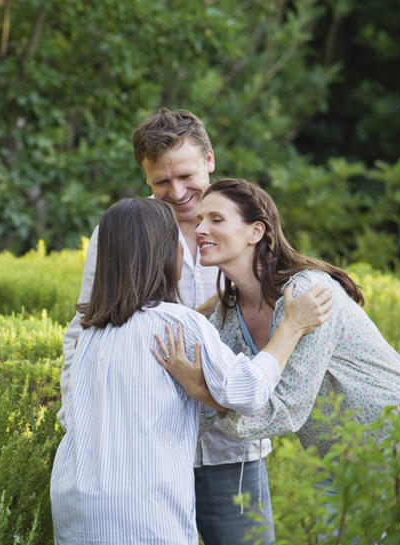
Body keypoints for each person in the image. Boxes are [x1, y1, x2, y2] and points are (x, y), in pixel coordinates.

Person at [50, 197, 331, 545]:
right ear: (167, 255)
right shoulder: (175, 322)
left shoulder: (91, 332)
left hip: (75, 505)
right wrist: (292, 326)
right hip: (144, 514)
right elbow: (246, 390)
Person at [62, 109, 278, 544]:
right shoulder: (119, 234)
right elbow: (86, 326)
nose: (177, 193)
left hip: (227, 449)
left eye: (185, 176)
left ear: (210, 160)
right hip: (142, 454)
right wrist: (78, 421)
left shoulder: (246, 221)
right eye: (161, 182)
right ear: (146, 179)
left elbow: (270, 314)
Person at [157, 178, 400, 462]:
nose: (200, 229)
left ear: (255, 231)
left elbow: (286, 408)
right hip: (344, 465)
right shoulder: (227, 316)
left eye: (216, 219)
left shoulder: (306, 295)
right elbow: (208, 409)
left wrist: (199, 389)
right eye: (199, 220)